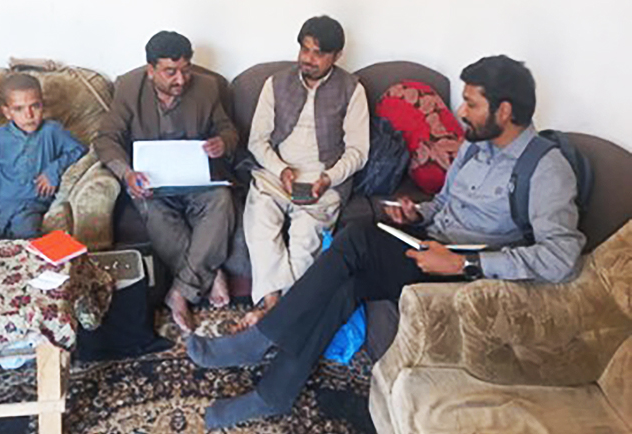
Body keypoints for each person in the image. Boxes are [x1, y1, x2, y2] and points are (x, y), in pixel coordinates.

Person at [186, 55, 586, 429]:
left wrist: (464, 266)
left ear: (504, 111)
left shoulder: (546, 168)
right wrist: (417, 213)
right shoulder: (474, 146)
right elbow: (445, 204)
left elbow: (562, 256)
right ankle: (272, 394)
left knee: (358, 238)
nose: (461, 112)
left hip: (467, 270)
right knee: (347, 281)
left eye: (471, 104)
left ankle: (261, 340)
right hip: (430, 242)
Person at [94, 31, 239, 332]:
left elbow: (228, 130)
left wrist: (222, 143)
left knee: (221, 202)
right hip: (152, 182)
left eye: (186, 69)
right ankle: (209, 274)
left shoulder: (207, 87)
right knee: (153, 210)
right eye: (170, 72)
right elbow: (107, 139)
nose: (181, 79)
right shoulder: (129, 88)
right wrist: (126, 173)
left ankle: (181, 292)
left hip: (195, 178)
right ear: (151, 70)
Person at [239, 15, 369, 330]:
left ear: (336, 56)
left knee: (304, 238)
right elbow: (257, 140)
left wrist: (328, 178)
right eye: (305, 49)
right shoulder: (275, 83)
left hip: (322, 180)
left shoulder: (352, 90)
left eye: (318, 53)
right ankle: (275, 308)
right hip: (276, 173)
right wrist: (280, 168)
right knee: (260, 224)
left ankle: (272, 314)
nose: (307, 59)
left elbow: (358, 151)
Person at [0, 73, 85, 241]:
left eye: (35, 106)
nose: (29, 115)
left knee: (26, 234)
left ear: (43, 105)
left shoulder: (52, 131)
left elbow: (79, 150)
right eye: (19, 109)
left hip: (31, 205)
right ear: (7, 112)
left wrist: (53, 170)